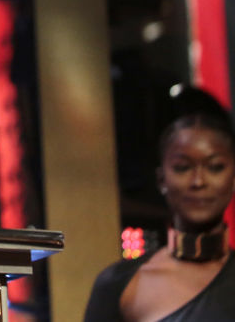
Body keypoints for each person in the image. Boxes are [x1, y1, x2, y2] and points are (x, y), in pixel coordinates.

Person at [84, 89, 235, 321]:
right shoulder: (119, 284)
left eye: (215, 167)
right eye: (182, 167)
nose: (198, 181)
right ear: (162, 180)